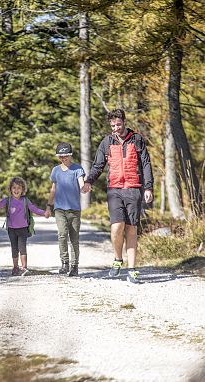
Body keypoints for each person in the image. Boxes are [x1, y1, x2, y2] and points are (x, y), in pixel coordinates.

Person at [82, 109, 153, 284]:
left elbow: (145, 164)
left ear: (124, 122)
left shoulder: (137, 140)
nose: (115, 128)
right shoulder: (107, 142)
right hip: (114, 189)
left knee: (131, 229)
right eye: (113, 125)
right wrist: (89, 181)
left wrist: (148, 187)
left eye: (118, 124)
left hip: (133, 189)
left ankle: (133, 269)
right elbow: (98, 165)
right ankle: (117, 258)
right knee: (116, 227)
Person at [45, 142, 85, 277]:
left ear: (70, 155)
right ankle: (64, 263)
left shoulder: (77, 169)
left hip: (74, 210)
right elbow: (53, 189)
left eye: (66, 155)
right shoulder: (55, 170)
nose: (63, 158)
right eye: (61, 156)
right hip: (59, 209)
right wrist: (48, 206)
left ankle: (75, 266)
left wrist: (84, 187)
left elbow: (81, 184)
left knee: (74, 238)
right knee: (62, 234)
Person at [0, 177, 49, 276]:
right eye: (14, 188)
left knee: (22, 248)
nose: (16, 190)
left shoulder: (25, 200)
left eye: (19, 188)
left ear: (22, 190)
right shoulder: (8, 200)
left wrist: (44, 213)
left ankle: (24, 267)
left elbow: (34, 209)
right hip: (11, 229)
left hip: (23, 228)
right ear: (10, 189)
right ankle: (15, 267)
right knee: (14, 248)